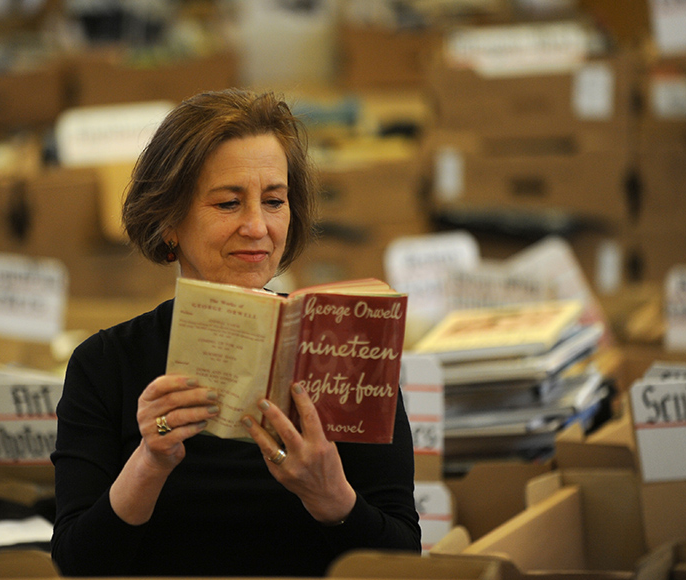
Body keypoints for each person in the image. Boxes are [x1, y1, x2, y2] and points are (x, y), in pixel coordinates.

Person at [50, 88, 421, 577]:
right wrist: (149, 463)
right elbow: (74, 567)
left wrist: (330, 496)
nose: (256, 226)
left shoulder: (347, 343)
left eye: (274, 201)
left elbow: (404, 561)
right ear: (168, 221)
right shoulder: (105, 364)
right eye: (228, 204)